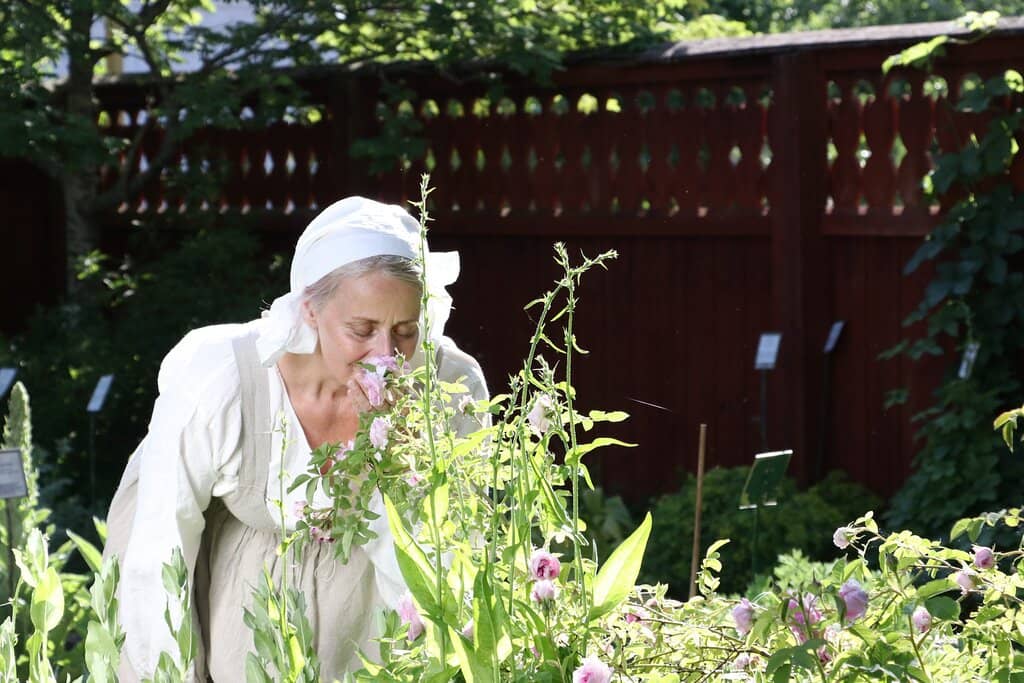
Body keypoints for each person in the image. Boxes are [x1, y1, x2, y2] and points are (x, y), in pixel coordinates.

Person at [102, 197, 489, 681]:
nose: (386, 354)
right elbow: (159, 549)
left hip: (374, 616)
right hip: (242, 602)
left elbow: (446, 566)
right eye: (362, 329)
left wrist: (391, 453)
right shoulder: (224, 378)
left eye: (406, 331)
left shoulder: (450, 387)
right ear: (309, 310)